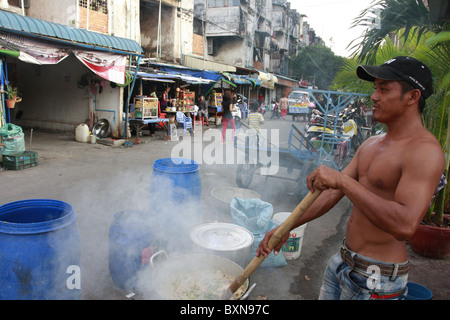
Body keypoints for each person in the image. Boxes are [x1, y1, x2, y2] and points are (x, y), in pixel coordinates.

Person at [256, 56, 445, 300]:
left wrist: (343, 181)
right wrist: (286, 227)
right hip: (342, 262)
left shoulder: (424, 151)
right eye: (375, 88)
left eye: (384, 89)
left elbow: (404, 225)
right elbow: (334, 192)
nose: (374, 96)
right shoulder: (371, 144)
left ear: (412, 96)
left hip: (378, 277)